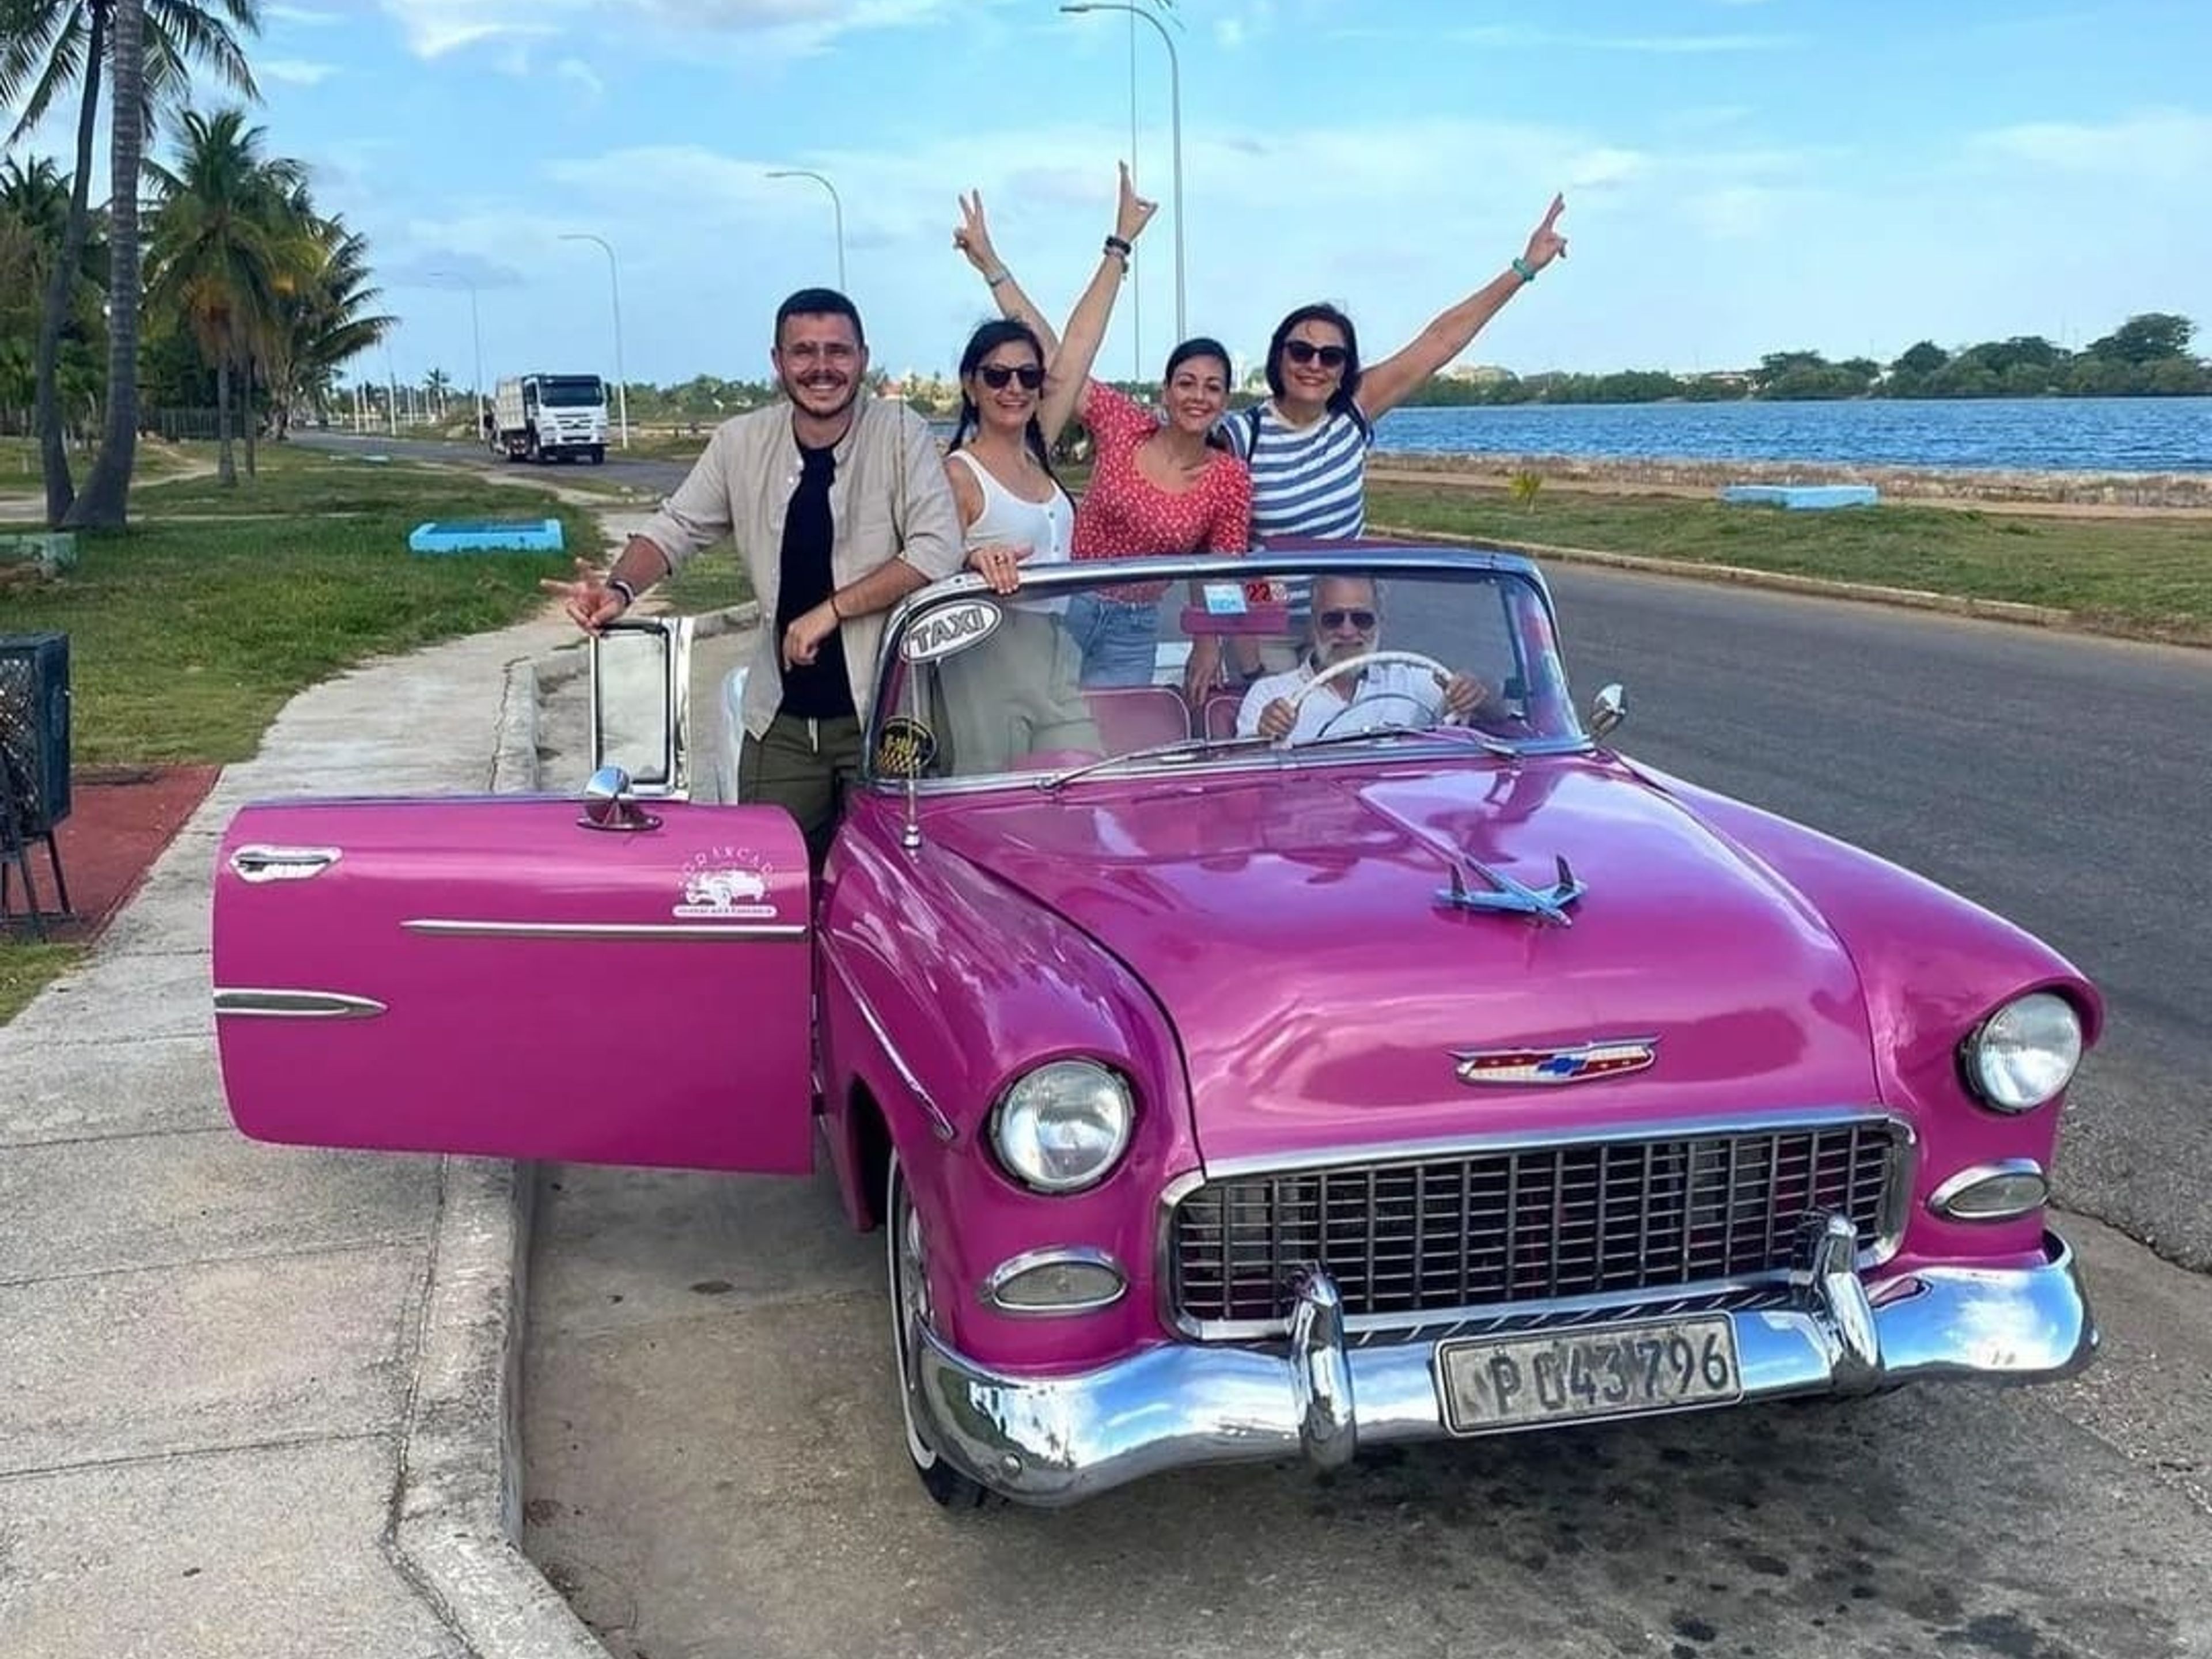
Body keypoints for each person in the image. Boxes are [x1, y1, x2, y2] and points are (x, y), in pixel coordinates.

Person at [543, 287, 963, 872]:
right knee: (771, 882)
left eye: (838, 352)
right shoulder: (741, 442)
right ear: (777, 362)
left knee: (899, 881)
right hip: (781, 718)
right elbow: (677, 527)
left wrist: (832, 610)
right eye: (804, 352)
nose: (822, 368)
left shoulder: (899, 432)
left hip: (888, 712)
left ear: (864, 359)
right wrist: (618, 590)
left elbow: (938, 549)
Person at [1227, 195, 1570, 660]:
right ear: (1278, 355)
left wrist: (1524, 268)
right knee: (1276, 725)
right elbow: (1214, 542)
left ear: (1345, 366)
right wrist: (1236, 644)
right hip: (1271, 628)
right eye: (1300, 351)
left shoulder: (1352, 413)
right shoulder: (1244, 436)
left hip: (1348, 622)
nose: (1314, 365)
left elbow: (1441, 339)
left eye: (1331, 356)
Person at [957, 188, 1251, 701]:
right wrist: (993, 267)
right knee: (1043, 736)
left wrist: (1210, 646)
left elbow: (1223, 573)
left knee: (1110, 749)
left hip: (1134, 629)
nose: (1197, 396)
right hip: (1071, 604)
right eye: (1186, 382)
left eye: (1212, 387)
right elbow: (1061, 356)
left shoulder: (1229, 479)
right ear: (1165, 390)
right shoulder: (1123, 424)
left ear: (1226, 400)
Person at [933, 165, 1164, 771]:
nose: (1015, 387)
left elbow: (1077, 343)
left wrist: (1119, 245)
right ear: (971, 385)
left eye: (1028, 377)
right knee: (995, 807)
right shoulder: (958, 475)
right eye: (998, 376)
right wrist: (968, 560)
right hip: (983, 659)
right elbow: (917, 567)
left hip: (1055, 655)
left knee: (1086, 784)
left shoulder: (1037, 449)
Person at [1237, 573, 1494, 745]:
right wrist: (1265, 735)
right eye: (1333, 619)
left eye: (1362, 619)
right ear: (1313, 625)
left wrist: (1474, 690)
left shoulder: (1413, 681)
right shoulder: (1270, 694)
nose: (1348, 632)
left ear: (1379, 621)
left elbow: (1497, 714)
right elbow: (1241, 784)